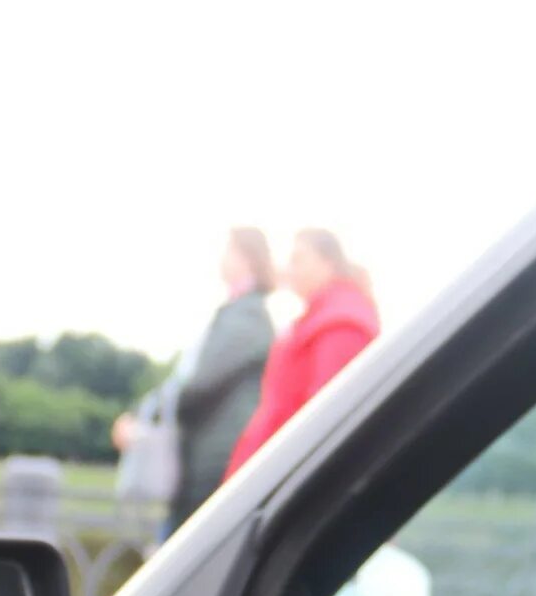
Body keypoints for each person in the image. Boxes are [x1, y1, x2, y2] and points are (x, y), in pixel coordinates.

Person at [114, 228, 277, 532]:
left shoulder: (246, 316)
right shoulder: (241, 313)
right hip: (207, 459)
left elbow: (196, 386)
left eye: (228, 251)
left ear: (247, 258)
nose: (222, 259)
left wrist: (142, 419)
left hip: (211, 463)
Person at [225, 228, 379, 477]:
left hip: (281, 478)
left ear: (328, 262)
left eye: (298, 259)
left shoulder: (341, 326)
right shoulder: (322, 318)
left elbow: (324, 425)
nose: (289, 269)